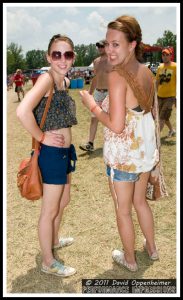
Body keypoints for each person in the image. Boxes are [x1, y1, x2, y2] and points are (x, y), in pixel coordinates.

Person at [80, 15, 163, 272]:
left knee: (123, 210)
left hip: (124, 157)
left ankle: (129, 259)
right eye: (107, 44)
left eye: (116, 44)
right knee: (141, 203)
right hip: (144, 155)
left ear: (132, 44)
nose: (109, 50)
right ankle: (152, 248)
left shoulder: (118, 76)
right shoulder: (146, 72)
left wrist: (92, 104)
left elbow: (116, 124)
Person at [16, 34, 78, 277]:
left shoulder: (63, 81)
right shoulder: (47, 79)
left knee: (63, 202)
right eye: (57, 54)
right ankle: (48, 262)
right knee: (49, 211)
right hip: (52, 154)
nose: (62, 59)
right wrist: (42, 137)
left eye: (67, 54)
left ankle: (53, 240)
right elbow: (22, 111)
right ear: (48, 57)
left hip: (64, 153)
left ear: (73, 57)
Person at [79, 39, 111, 152]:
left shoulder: (113, 59)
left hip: (110, 93)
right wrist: (89, 94)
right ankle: (90, 144)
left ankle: (112, 144)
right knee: (94, 118)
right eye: (98, 46)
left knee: (109, 119)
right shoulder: (96, 61)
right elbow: (95, 78)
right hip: (98, 92)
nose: (99, 48)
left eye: (101, 46)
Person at [156, 48, 176, 137]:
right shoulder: (160, 67)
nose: (164, 57)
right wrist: (154, 96)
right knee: (164, 116)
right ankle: (172, 130)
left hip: (170, 97)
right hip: (159, 96)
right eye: (163, 55)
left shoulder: (175, 67)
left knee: (161, 118)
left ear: (171, 56)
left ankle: (155, 138)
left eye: (167, 55)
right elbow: (156, 82)